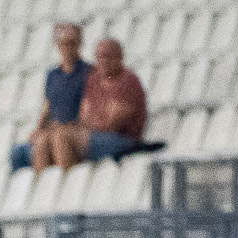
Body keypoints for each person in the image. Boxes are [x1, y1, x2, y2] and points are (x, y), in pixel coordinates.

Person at [50, 37, 146, 170]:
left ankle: (66, 183)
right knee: (45, 140)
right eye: (100, 57)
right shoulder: (94, 79)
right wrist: (91, 123)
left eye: (108, 56)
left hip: (123, 140)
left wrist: (89, 124)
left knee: (63, 137)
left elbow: (112, 122)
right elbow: (84, 116)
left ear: (119, 57)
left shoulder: (128, 80)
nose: (103, 61)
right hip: (95, 135)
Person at [12, 23, 92, 172]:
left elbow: (88, 108)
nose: (68, 48)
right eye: (64, 44)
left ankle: (65, 180)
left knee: (59, 139)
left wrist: (71, 125)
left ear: (79, 44)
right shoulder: (53, 75)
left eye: (72, 43)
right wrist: (38, 129)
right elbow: (48, 107)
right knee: (41, 141)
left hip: (74, 129)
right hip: (54, 127)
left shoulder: (87, 72)